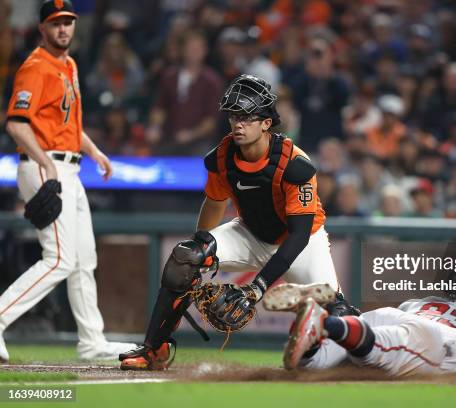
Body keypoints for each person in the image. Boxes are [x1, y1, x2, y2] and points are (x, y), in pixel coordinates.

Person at [119, 74, 358, 370]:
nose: (238, 124)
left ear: (266, 123)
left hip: (301, 242)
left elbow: (298, 236)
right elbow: (214, 203)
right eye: (234, 116)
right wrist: (197, 258)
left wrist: (256, 289)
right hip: (250, 234)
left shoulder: (295, 164)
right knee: (185, 257)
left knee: (338, 314)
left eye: (246, 117)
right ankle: (154, 349)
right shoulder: (223, 155)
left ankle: (368, 354)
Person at [0, 0, 136, 362]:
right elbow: (15, 123)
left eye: (68, 22)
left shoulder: (70, 65)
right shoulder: (35, 67)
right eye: (56, 23)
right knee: (59, 259)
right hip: (43, 167)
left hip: (70, 167)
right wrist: (45, 161)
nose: (63, 29)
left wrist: (95, 152)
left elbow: (68, 127)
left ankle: (92, 341)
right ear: (42, 28)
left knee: (83, 259)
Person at [265, 270, 456, 378]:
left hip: (391, 315)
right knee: (378, 351)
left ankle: (323, 322)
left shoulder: (424, 299)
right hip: (431, 338)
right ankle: (328, 322)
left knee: (310, 367)